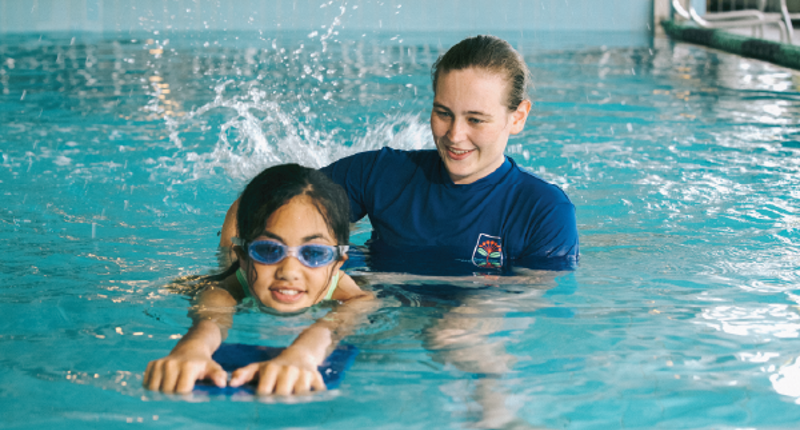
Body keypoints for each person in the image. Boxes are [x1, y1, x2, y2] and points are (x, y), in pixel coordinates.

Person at [220, 35, 578, 273]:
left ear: (517, 117)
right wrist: (238, 274)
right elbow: (259, 204)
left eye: (475, 119)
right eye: (443, 113)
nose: (455, 135)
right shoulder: (383, 173)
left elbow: (528, 304)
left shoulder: (543, 211)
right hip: (374, 312)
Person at [144, 164, 373, 395]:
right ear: (244, 258)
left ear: (337, 263)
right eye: (268, 250)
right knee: (226, 256)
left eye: (314, 253)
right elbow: (212, 316)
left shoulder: (342, 287)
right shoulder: (232, 282)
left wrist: (305, 352)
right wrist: (193, 348)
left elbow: (351, 313)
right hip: (239, 257)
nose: (289, 272)